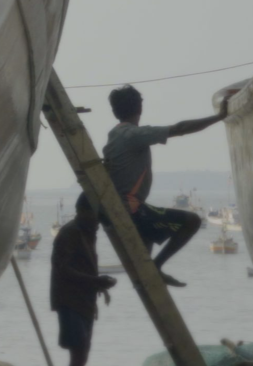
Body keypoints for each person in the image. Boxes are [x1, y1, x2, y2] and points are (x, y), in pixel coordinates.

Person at [100, 84, 225, 287]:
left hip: (127, 208)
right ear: (139, 108)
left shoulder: (115, 134)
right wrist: (219, 117)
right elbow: (180, 129)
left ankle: (149, 272)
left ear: (115, 111)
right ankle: (157, 267)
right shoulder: (133, 135)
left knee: (147, 245)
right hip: (131, 210)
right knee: (192, 221)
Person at [50, 192, 117, 366]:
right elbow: (63, 270)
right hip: (69, 300)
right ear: (81, 211)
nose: (97, 221)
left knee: (83, 349)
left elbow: (85, 264)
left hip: (85, 299)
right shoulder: (69, 232)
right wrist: (96, 282)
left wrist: (100, 285)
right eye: (94, 215)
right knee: (78, 347)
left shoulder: (88, 231)